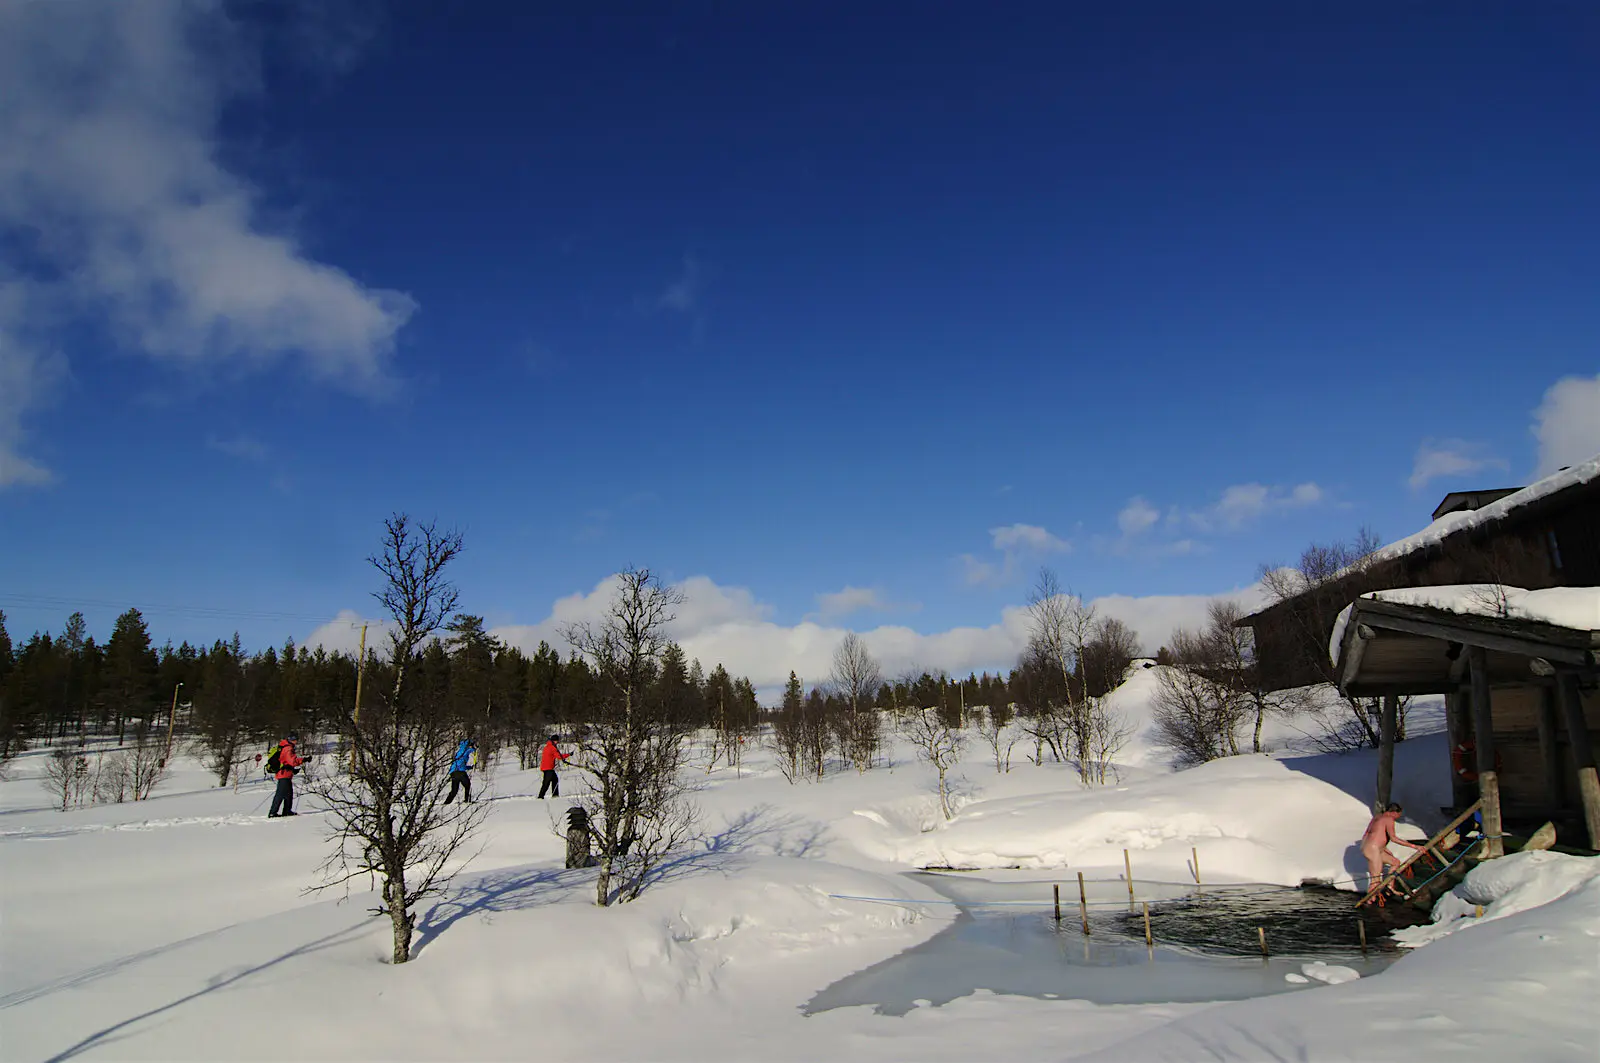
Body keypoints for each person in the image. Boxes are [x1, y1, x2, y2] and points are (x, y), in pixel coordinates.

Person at [1361, 802, 1423, 894]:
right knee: (1375, 880)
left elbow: (1369, 834)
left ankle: (1390, 887)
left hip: (1371, 847)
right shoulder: (1389, 819)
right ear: (1394, 812)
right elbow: (1393, 838)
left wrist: (1383, 849)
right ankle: (1370, 900)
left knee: (1395, 862)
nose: (1398, 817)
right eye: (1399, 814)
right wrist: (1414, 846)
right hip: (1373, 849)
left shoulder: (1377, 817)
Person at [268, 734, 305, 818]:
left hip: (286, 773)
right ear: (292, 740)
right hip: (283, 774)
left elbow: (287, 762)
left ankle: (287, 811)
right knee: (280, 794)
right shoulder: (288, 748)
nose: (296, 742)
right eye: (295, 740)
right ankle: (273, 812)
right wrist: (303, 760)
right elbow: (292, 761)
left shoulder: (284, 746)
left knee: (288, 794)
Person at [445, 737, 477, 804]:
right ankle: (467, 800)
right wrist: (475, 748)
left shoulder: (460, 750)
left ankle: (447, 803)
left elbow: (460, 762)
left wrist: (468, 767)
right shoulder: (466, 749)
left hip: (453, 772)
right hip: (460, 772)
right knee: (467, 785)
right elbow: (472, 750)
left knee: (454, 790)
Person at [538, 735, 570, 799]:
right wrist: (569, 754)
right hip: (548, 768)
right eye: (557, 741)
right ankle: (541, 796)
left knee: (554, 780)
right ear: (554, 741)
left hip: (545, 767)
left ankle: (555, 795)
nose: (557, 742)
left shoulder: (547, 747)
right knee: (546, 783)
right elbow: (559, 756)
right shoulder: (552, 748)